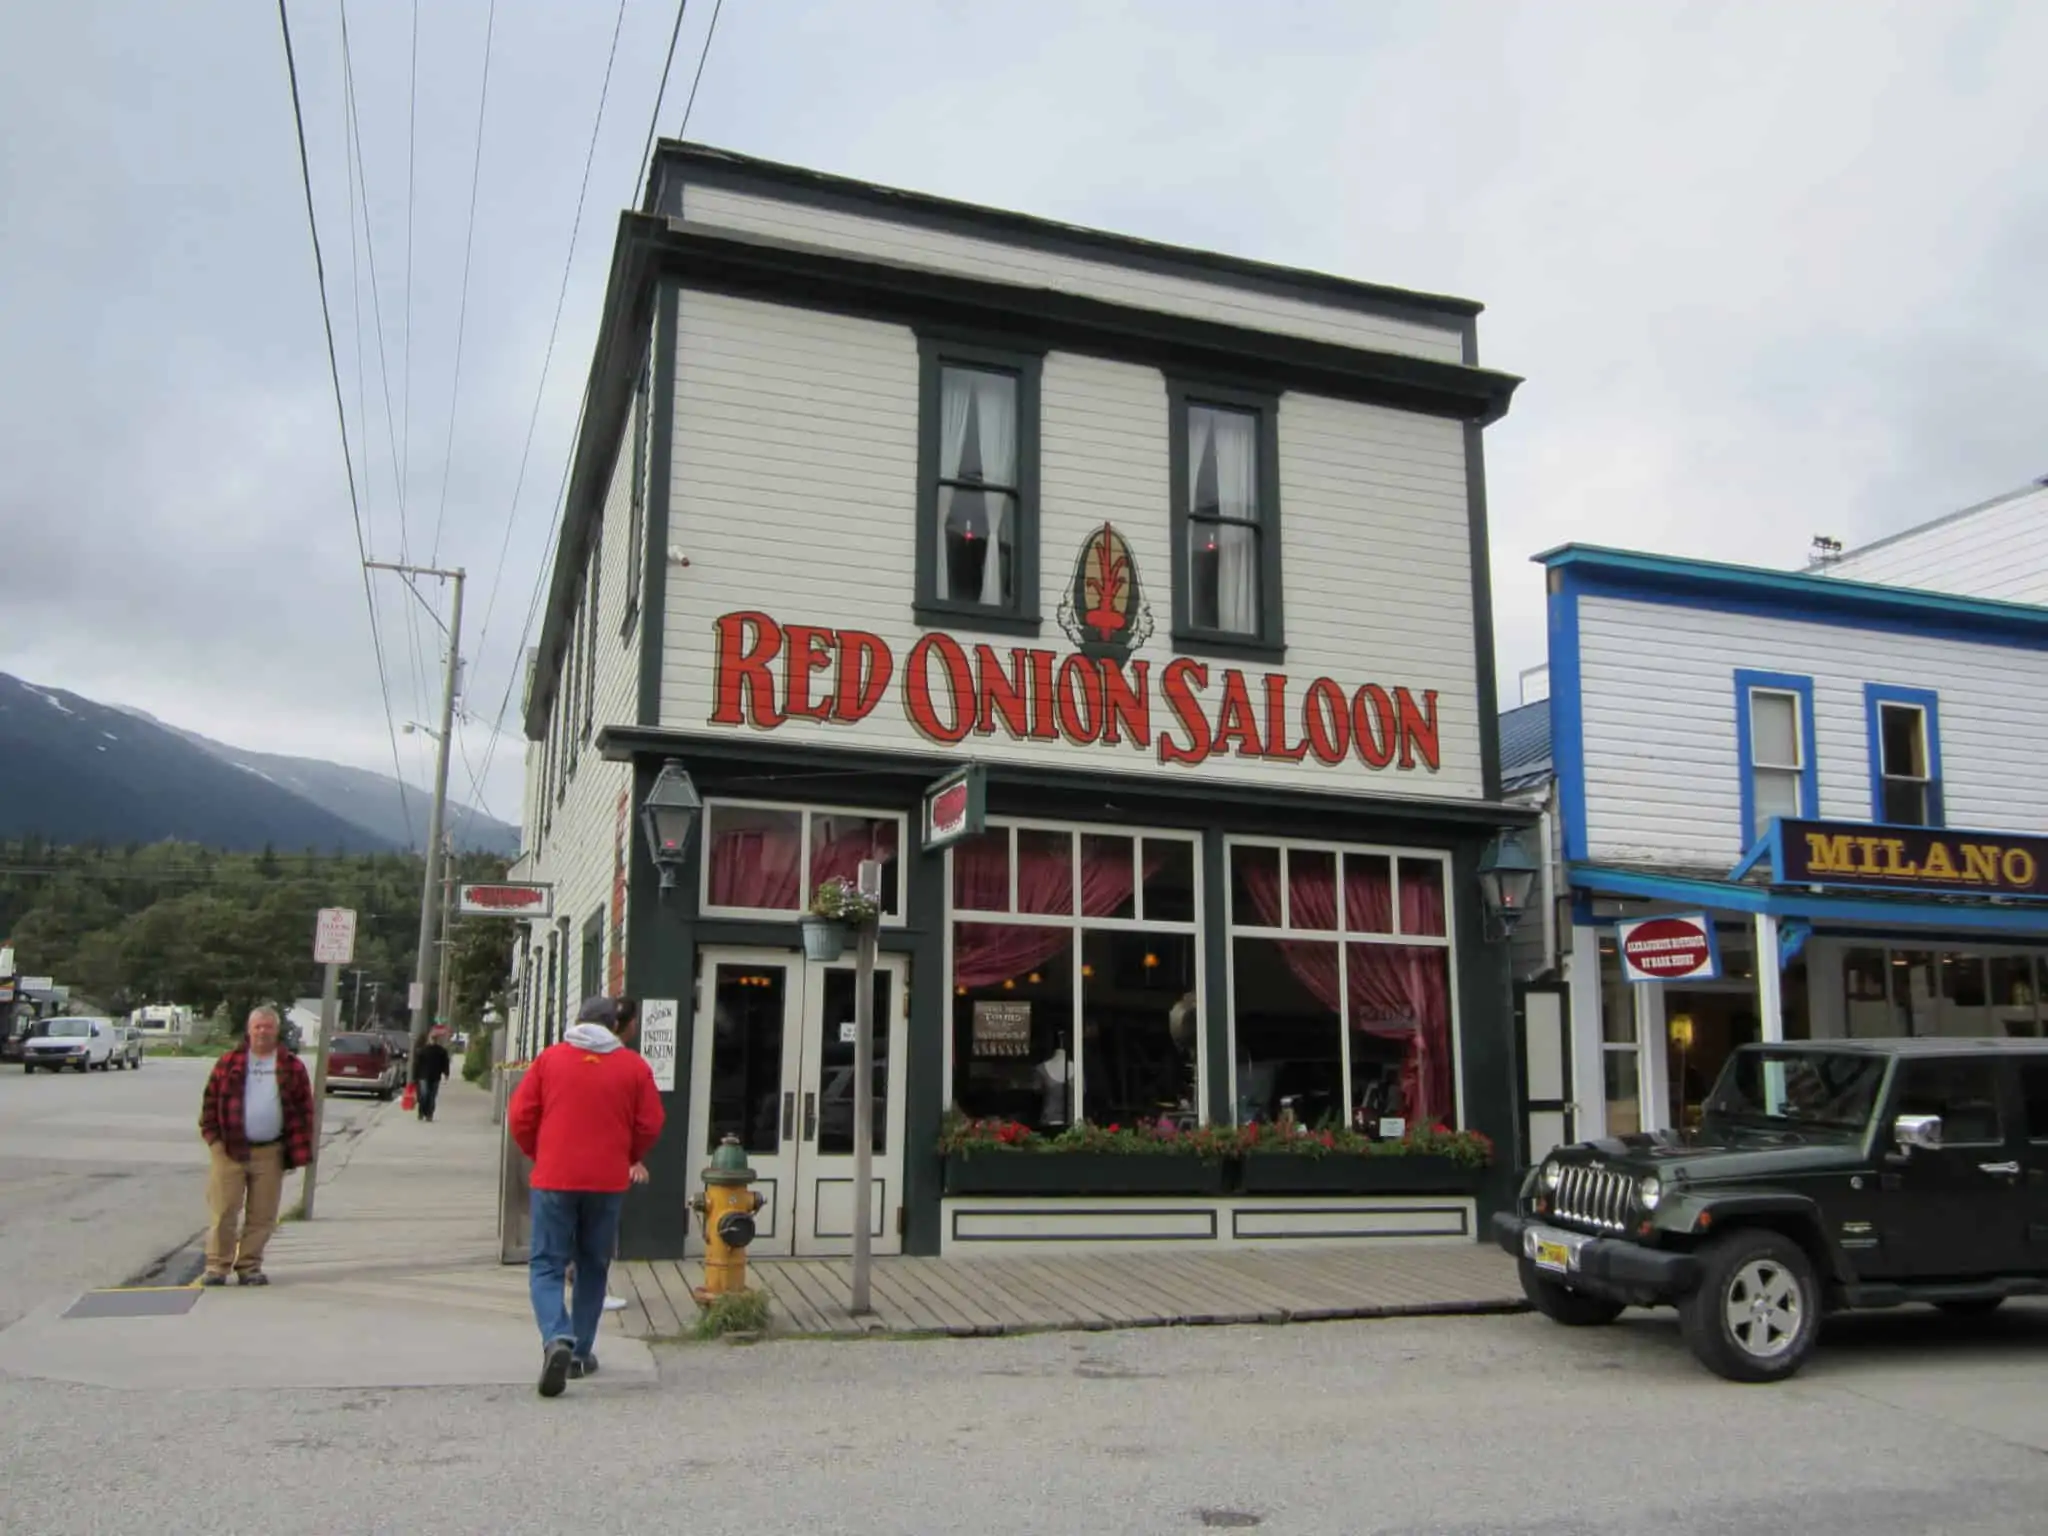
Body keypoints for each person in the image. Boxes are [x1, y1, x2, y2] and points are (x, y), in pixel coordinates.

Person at [508, 994, 663, 1397]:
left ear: (578, 1021)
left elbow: (521, 1115)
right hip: (607, 1180)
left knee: (546, 1265)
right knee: (593, 1264)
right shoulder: (633, 1066)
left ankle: (557, 1338)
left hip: (555, 1176)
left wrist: (538, 1152)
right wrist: (630, 1155)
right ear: (614, 1025)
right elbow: (650, 1122)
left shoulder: (550, 1060)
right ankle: (580, 1353)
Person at [197, 1005, 315, 1286]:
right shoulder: (229, 1063)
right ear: (249, 1030)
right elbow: (209, 1106)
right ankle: (217, 1266)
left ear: (277, 1031)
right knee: (224, 1210)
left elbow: (304, 1109)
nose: (263, 1031)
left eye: (268, 1026)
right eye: (258, 1026)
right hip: (229, 1149)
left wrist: (296, 1148)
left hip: (270, 1151)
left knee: (262, 1215)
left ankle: (249, 1266)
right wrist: (215, 1143)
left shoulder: (291, 1066)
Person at [414, 1029, 453, 1122]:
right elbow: (417, 1063)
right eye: (432, 1038)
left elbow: (445, 1063)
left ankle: (429, 1114)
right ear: (429, 1039)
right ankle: (421, 1112)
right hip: (423, 1076)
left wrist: (446, 1073)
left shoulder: (441, 1051)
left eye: (435, 1038)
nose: (434, 1040)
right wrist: (415, 1076)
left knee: (432, 1096)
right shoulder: (423, 1050)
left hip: (435, 1076)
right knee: (424, 1094)